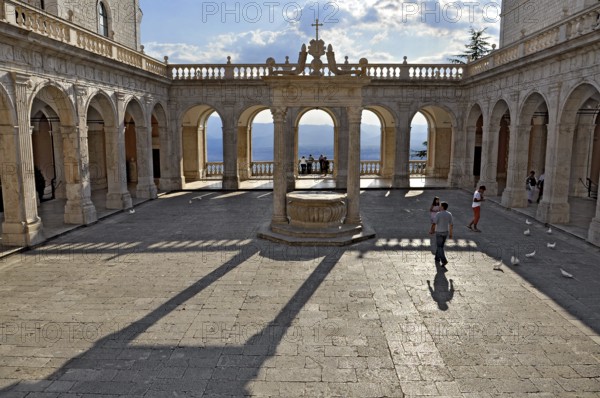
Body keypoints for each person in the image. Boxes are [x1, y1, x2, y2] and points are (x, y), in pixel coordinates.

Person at [429, 201, 453, 269]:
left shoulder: (438, 214)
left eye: (440, 205)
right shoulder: (449, 214)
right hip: (445, 232)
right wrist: (451, 234)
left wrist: (431, 230)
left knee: (439, 247)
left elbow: (434, 223)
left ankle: (444, 260)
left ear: (442, 207)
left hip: (439, 232)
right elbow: (451, 224)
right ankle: (437, 258)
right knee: (440, 246)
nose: (439, 206)